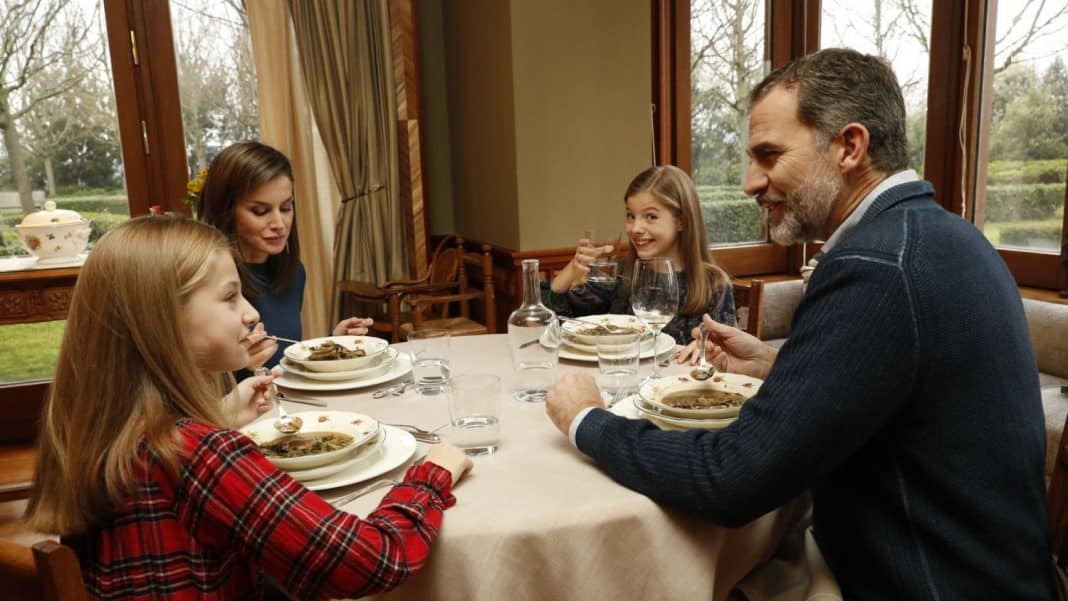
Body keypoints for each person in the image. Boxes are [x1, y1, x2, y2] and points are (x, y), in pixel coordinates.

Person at [545, 48, 1055, 599]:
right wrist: (780, 364)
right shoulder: (948, 237)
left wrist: (587, 420)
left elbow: (731, 480)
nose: (749, 182)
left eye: (769, 155)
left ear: (850, 147)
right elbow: (902, 390)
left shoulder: (872, 266)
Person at [24, 216, 473, 599]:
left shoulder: (96, 429)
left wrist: (217, 419)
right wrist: (433, 474)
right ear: (160, 320)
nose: (252, 313)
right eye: (229, 297)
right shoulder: (197, 454)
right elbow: (372, 559)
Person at [197, 141, 373, 371]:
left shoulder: (294, 273)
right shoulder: (205, 282)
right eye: (260, 211)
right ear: (226, 211)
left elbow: (283, 358)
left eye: (286, 208)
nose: (279, 224)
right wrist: (240, 366)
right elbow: (193, 386)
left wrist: (333, 343)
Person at [542, 165, 736, 345]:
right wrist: (573, 267)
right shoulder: (621, 274)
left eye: (650, 216)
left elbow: (724, 358)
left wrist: (709, 351)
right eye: (630, 216)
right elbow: (556, 322)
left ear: (681, 221)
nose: (635, 228)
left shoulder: (714, 285)